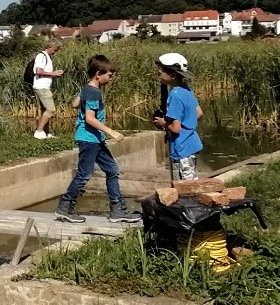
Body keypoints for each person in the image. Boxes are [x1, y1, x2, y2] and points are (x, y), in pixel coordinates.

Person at [54, 55, 141, 224]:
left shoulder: (87, 88)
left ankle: (117, 210)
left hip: (95, 139)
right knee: (84, 174)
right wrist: (112, 132)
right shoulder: (94, 92)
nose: (111, 78)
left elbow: (74, 104)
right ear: (98, 74)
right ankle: (64, 208)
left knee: (112, 170)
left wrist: (82, 97)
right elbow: (90, 118)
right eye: (109, 75)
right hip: (89, 139)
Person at [153, 52, 203, 181]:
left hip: (181, 148)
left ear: (173, 75)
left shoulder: (175, 95)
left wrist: (162, 122)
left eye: (161, 72)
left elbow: (175, 128)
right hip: (192, 144)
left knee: (184, 188)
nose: (158, 74)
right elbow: (198, 113)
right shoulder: (186, 89)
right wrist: (187, 123)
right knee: (191, 181)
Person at [30, 43, 64, 139]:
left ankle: (46, 133)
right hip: (42, 87)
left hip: (43, 86)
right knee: (51, 109)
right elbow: (38, 72)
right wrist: (54, 74)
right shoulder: (41, 56)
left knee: (45, 110)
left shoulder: (46, 57)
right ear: (48, 47)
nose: (55, 52)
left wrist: (55, 74)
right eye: (55, 49)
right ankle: (39, 131)